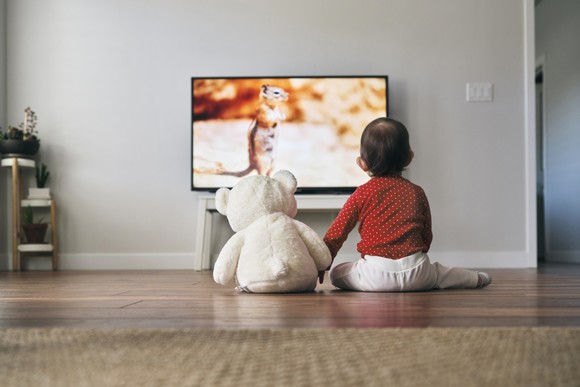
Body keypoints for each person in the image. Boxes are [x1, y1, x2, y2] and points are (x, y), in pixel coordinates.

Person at [321, 117, 491, 291]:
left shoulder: (361, 194)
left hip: (376, 276)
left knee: (336, 273)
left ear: (361, 163)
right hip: (418, 273)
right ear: (409, 158)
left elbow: (336, 234)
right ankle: (475, 278)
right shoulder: (416, 192)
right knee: (440, 273)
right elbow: (426, 234)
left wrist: (323, 265)